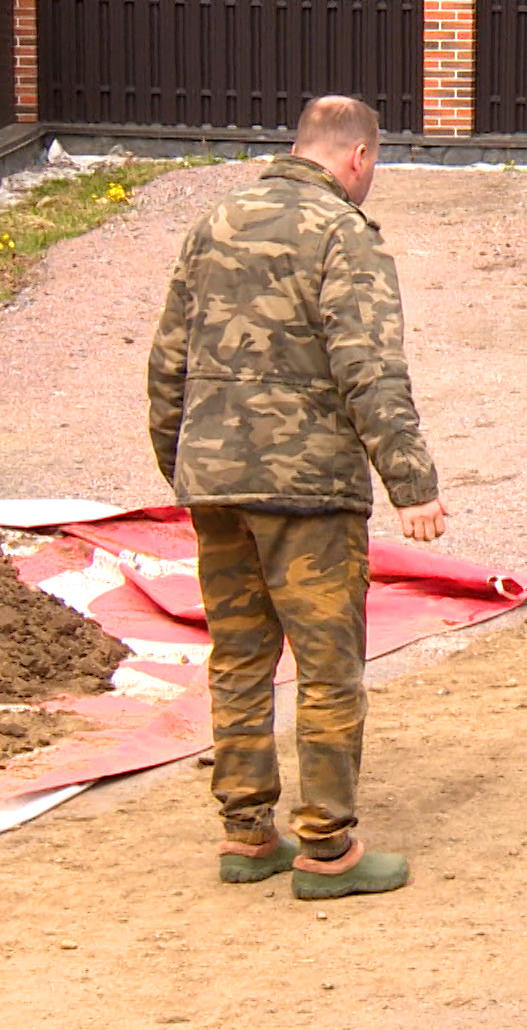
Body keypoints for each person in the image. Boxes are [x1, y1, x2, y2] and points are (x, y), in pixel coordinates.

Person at [146, 96, 446, 900]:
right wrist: (412, 484)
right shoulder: (343, 234)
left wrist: (180, 463)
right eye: (372, 166)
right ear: (357, 158)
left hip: (216, 485)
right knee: (327, 668)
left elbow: (167, 360)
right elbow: (370, 368)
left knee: (240, 657)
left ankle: (246, 835)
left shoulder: (217, 221)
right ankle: (327, 849)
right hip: (307, 495)